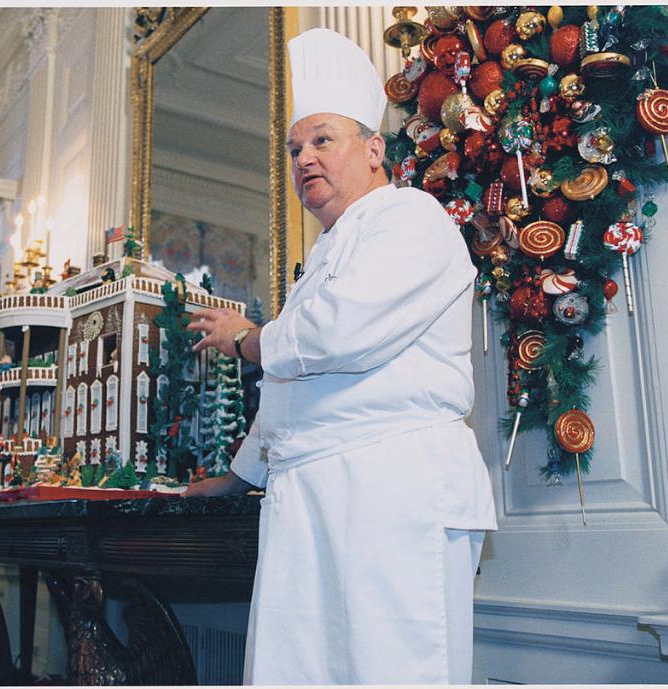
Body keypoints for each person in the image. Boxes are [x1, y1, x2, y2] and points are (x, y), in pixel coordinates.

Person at [186, 28, 497, 684]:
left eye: (322, 139)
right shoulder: (322, 258)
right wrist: (240, 476)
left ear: (375, 149)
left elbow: (340, 336)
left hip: (390, 493)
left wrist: (249, 337)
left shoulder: (410, 218)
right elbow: (292, 393)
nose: (304, 158)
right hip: (311, 498)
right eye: (296, 147)